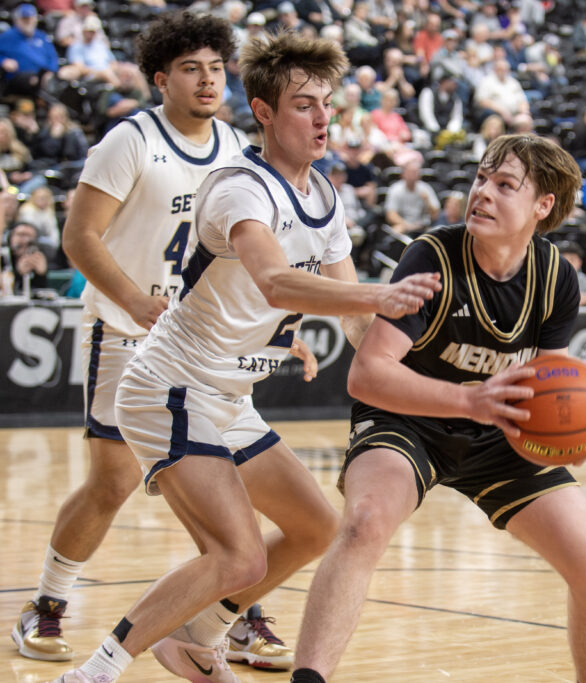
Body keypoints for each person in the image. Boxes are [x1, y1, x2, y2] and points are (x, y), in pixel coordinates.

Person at [51, 29, 441, 683]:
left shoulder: (323, 196)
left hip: (228, 398)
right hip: (169, 386)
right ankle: (94, 670)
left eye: (326, 104)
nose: (322, 119)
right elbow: (276, 280)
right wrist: (384, 293)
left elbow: (350, 317)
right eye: (303, 105)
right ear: (263, 111)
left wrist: (426, 368)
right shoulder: (241, 186)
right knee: (238, 557)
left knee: (317, 525)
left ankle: (198, 640)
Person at [290, 134, 586, 683]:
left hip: (497, 434)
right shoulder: (433, 255)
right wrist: (470, 399)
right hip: (408, 421)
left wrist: (578, 429)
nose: (483, 194)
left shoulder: (556, 277)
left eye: (504, 185)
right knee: (365, 523)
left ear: (543, 207)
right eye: (480, 179)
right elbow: (369, 374)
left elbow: (552, 385)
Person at [14, 10, 273, 670]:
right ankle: (47, 600)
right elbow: (79, 237)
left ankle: (237, 613)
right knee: (114, 481)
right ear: (162, 79)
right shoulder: (129, 140)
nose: (208, 80)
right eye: (191, 69)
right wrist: (133, 299)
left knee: (214, 473)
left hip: (199, 341)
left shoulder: (236, 150)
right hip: (125, 330)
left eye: (217, 68)